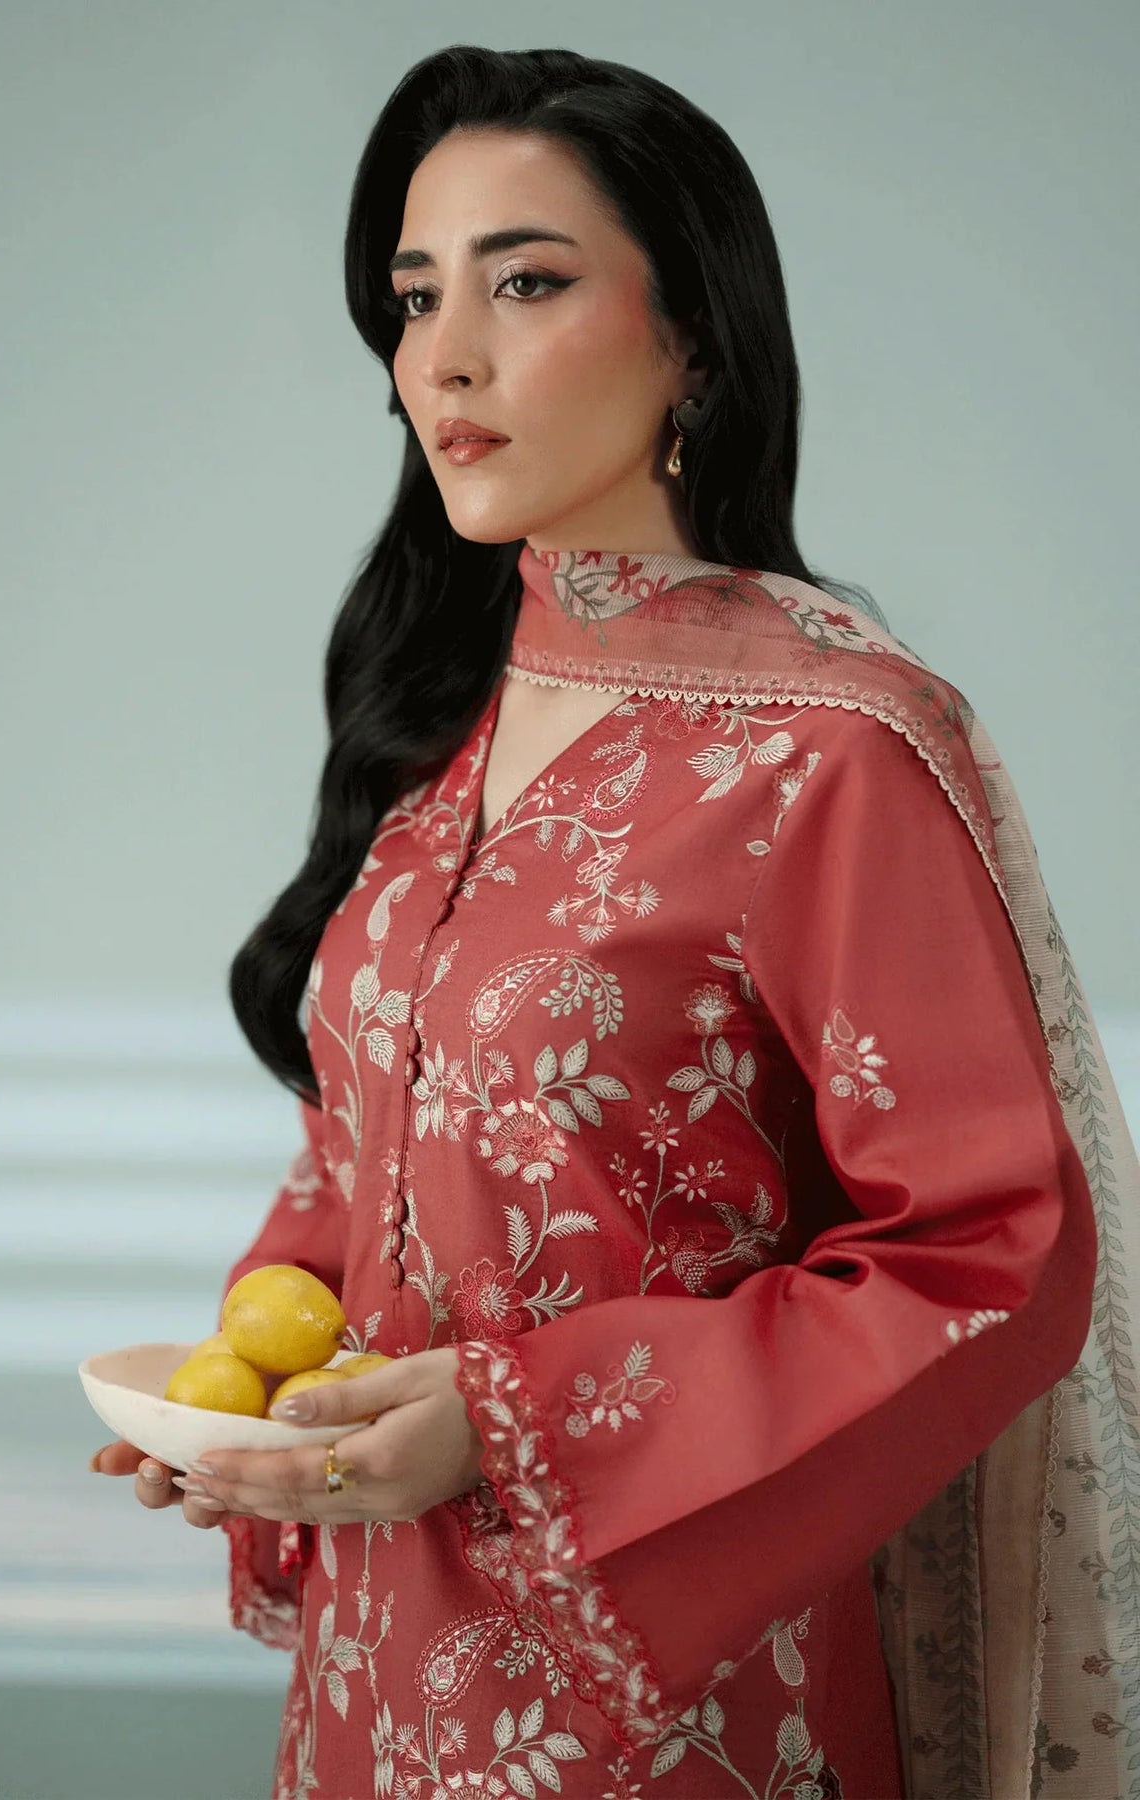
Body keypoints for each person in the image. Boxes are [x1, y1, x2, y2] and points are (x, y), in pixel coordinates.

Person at [90, 44, 1140, 1800]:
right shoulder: (440, 728)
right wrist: (249, 1397)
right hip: (377, 1672)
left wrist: (518, 1422)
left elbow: (990, 1253)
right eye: (416, 296)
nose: (446, 354)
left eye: (526, 283)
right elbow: (363, 1163)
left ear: (695, 342)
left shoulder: (824, 749)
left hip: (677, 1707)